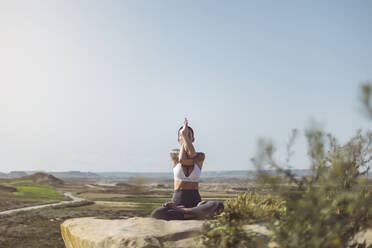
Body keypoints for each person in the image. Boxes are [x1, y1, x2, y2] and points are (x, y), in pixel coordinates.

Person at [151, 118, 224, 220]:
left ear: (193, 139)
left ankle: (185, 212)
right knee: (157, 213)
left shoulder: (200, 156)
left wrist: (184, 135)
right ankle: (195, 213)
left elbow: (191, 154)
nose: (186, 138)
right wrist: (186, 138)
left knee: (218, 205)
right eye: (182, 136)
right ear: (178, 140)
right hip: (178, 201)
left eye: (189, 136)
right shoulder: (174, 154)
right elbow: (182, 159)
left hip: (195, 201)